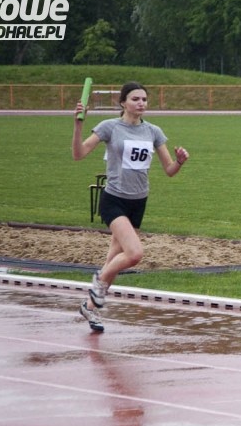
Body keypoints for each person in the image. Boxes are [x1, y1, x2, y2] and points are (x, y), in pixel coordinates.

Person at [71, 81, 189, 332]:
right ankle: (98, 285)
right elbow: (78, 154)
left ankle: (90, 308)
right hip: (114, 199)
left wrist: (179, 162)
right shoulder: (110, 127)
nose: (141, 103)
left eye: (144, 99)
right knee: (134, 254)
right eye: (135, 99)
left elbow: (169, 170)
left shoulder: (153, 131)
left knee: (114, 260)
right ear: (123, 102)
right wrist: (78, 125)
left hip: (139, 202)